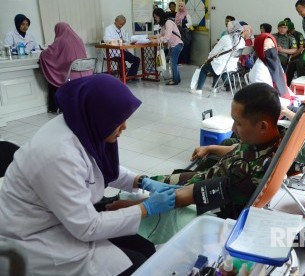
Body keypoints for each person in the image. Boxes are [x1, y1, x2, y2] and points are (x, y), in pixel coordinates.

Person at [0, 74, 178, 275]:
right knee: (137, 265)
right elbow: (87, 228)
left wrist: (141, 181)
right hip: (37, 238)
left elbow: (99, 166)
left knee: (145, 249)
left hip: (64, 218)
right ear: (100, 116)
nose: (124, 127)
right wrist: (145, 209)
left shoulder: (85, 124)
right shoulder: (58, 155)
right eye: (119, 121)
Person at [107, 83, 284, 243]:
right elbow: (240, 150)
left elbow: (186, 196)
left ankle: (113, 205)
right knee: (156, 180)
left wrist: (135, 208)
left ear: (262, 126)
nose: (232, 129)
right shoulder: (271, 138)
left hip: (206, 199)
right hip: (205, 180)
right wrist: (211, 148)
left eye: (238, 123)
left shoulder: (245, 177)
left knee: (131, 200)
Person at [39, 22, 91, 114]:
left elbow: (48, 54)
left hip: (71, 74)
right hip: (86, 72)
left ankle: (54, 107)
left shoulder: (60, 41)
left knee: (52, 79)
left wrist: (42, 52)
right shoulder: (79, 39)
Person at [191, 21, 245, 94]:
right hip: (232, 66)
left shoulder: (225, 38)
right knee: (216, 68)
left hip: (222, 65)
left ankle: (198, 89)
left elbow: (214, 51)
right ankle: (214, 87)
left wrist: (208, 58)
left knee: (204, 68)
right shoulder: (242, 41)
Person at [249, 33, 292, 103]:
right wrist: (289, 102)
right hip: (270, 107)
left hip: (282, 101)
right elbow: (267, 98)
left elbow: (284, 85)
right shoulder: (260, 69)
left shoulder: (275, 63)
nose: (271, 51)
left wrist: (293, 97)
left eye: (272, 46)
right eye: (265, 48)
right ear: (259, 50)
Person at [151, 8, 184, 85]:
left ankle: (175, 80)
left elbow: (167, 37)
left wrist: (156, 41)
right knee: (174, 63)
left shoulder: (168, 23)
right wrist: (151, 37)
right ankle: (177, 79)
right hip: (173, 45)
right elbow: (161, 35)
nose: (155, 19)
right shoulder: (164, 24)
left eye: (156, 17)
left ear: (160, 16)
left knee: (173, 63)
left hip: (177, 44)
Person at [285, 21, 305, 86]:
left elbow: (300, 48)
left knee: (294, 64)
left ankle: (298, 84)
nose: (288, 33)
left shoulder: (299, 35)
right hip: (287, 54)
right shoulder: (286, 35)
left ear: (293, 29)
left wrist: (293, 56)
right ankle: (286, 84)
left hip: (296, 55)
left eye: (289, 31)